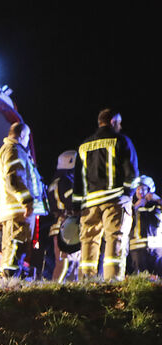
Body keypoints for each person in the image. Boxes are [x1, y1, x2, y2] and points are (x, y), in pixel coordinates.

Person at [73, 108, 139, 280]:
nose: (121, 126)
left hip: (90, 204)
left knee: (88, 241)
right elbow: (132, 173)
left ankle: (86, 283)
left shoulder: (84, 145)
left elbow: (78, 180)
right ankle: (113, 282)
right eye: (119, 122)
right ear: (112, 122)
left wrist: (77, 205)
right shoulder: (122, 141)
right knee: (115, 239)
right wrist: (127, 193)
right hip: (115, 200)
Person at [0, 122, 46, 278]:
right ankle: (8, 284)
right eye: (27, 136)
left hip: (16, 210)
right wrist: (27, 202)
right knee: (14, 248)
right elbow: (14, 178)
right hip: (18, 210)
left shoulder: (10, 151)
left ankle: (12, 282)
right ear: (23, 135)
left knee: (18, 249)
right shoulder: (13, 151)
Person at [47, 150, 79, 281]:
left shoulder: (57, 180)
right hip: (67, 226)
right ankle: (54, 292)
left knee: (71, 264)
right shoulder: (65, 181)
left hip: (61, 225)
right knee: (65, 264)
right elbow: (73, 201)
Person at [129, 175, 161, 274]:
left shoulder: (157, 205)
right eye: (138, 189)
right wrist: (135, 206)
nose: (140, 192)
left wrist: (158, 199)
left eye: (143, 189)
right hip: (137, 249)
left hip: (156, 249)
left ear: (150, 190)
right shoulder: (131, 206)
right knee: (142, 278)